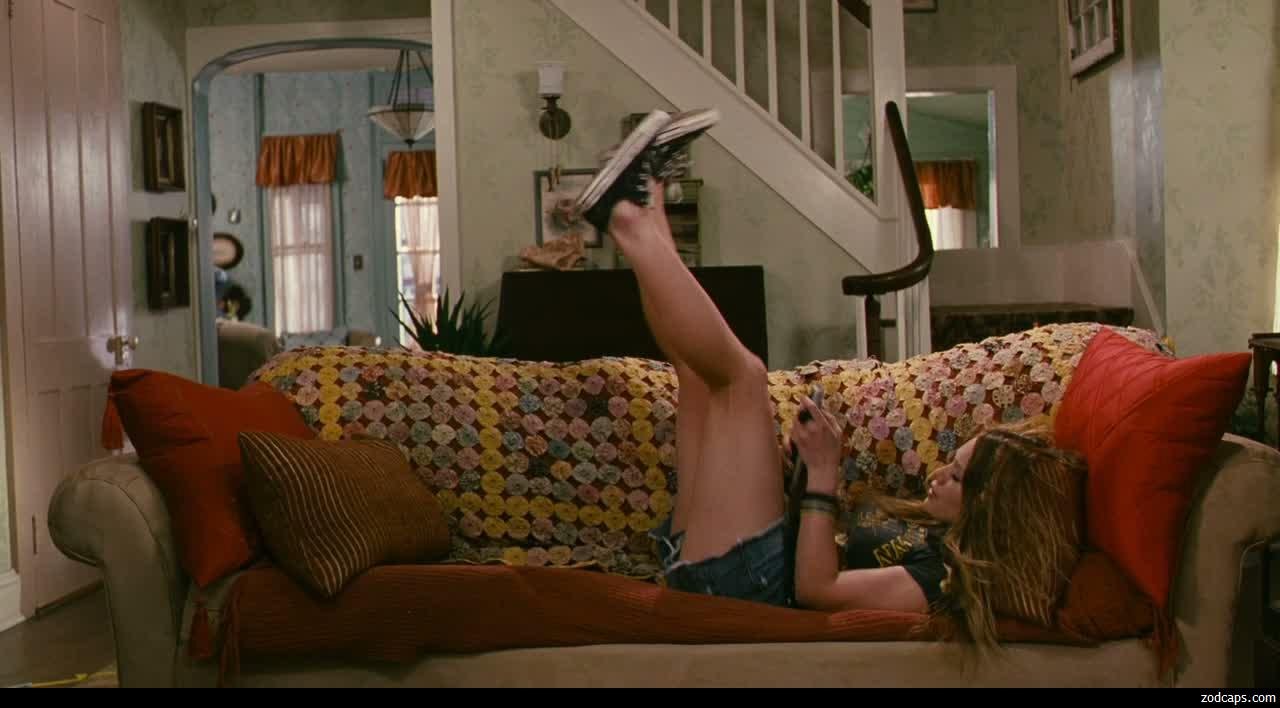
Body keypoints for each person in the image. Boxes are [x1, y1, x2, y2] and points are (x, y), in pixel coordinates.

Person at [570, 109, 1088, 651]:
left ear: (990, 514)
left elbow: (819, 590)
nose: (938, 474)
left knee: (743, 378)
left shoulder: (941, 575)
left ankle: (627, 218)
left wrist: (821, 475)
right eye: (952, 465)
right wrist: (800, 477)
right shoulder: (934, 528)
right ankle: (647, 204)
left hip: (751, 589)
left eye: (956, 478)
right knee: (698, 376)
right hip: (748, 565)